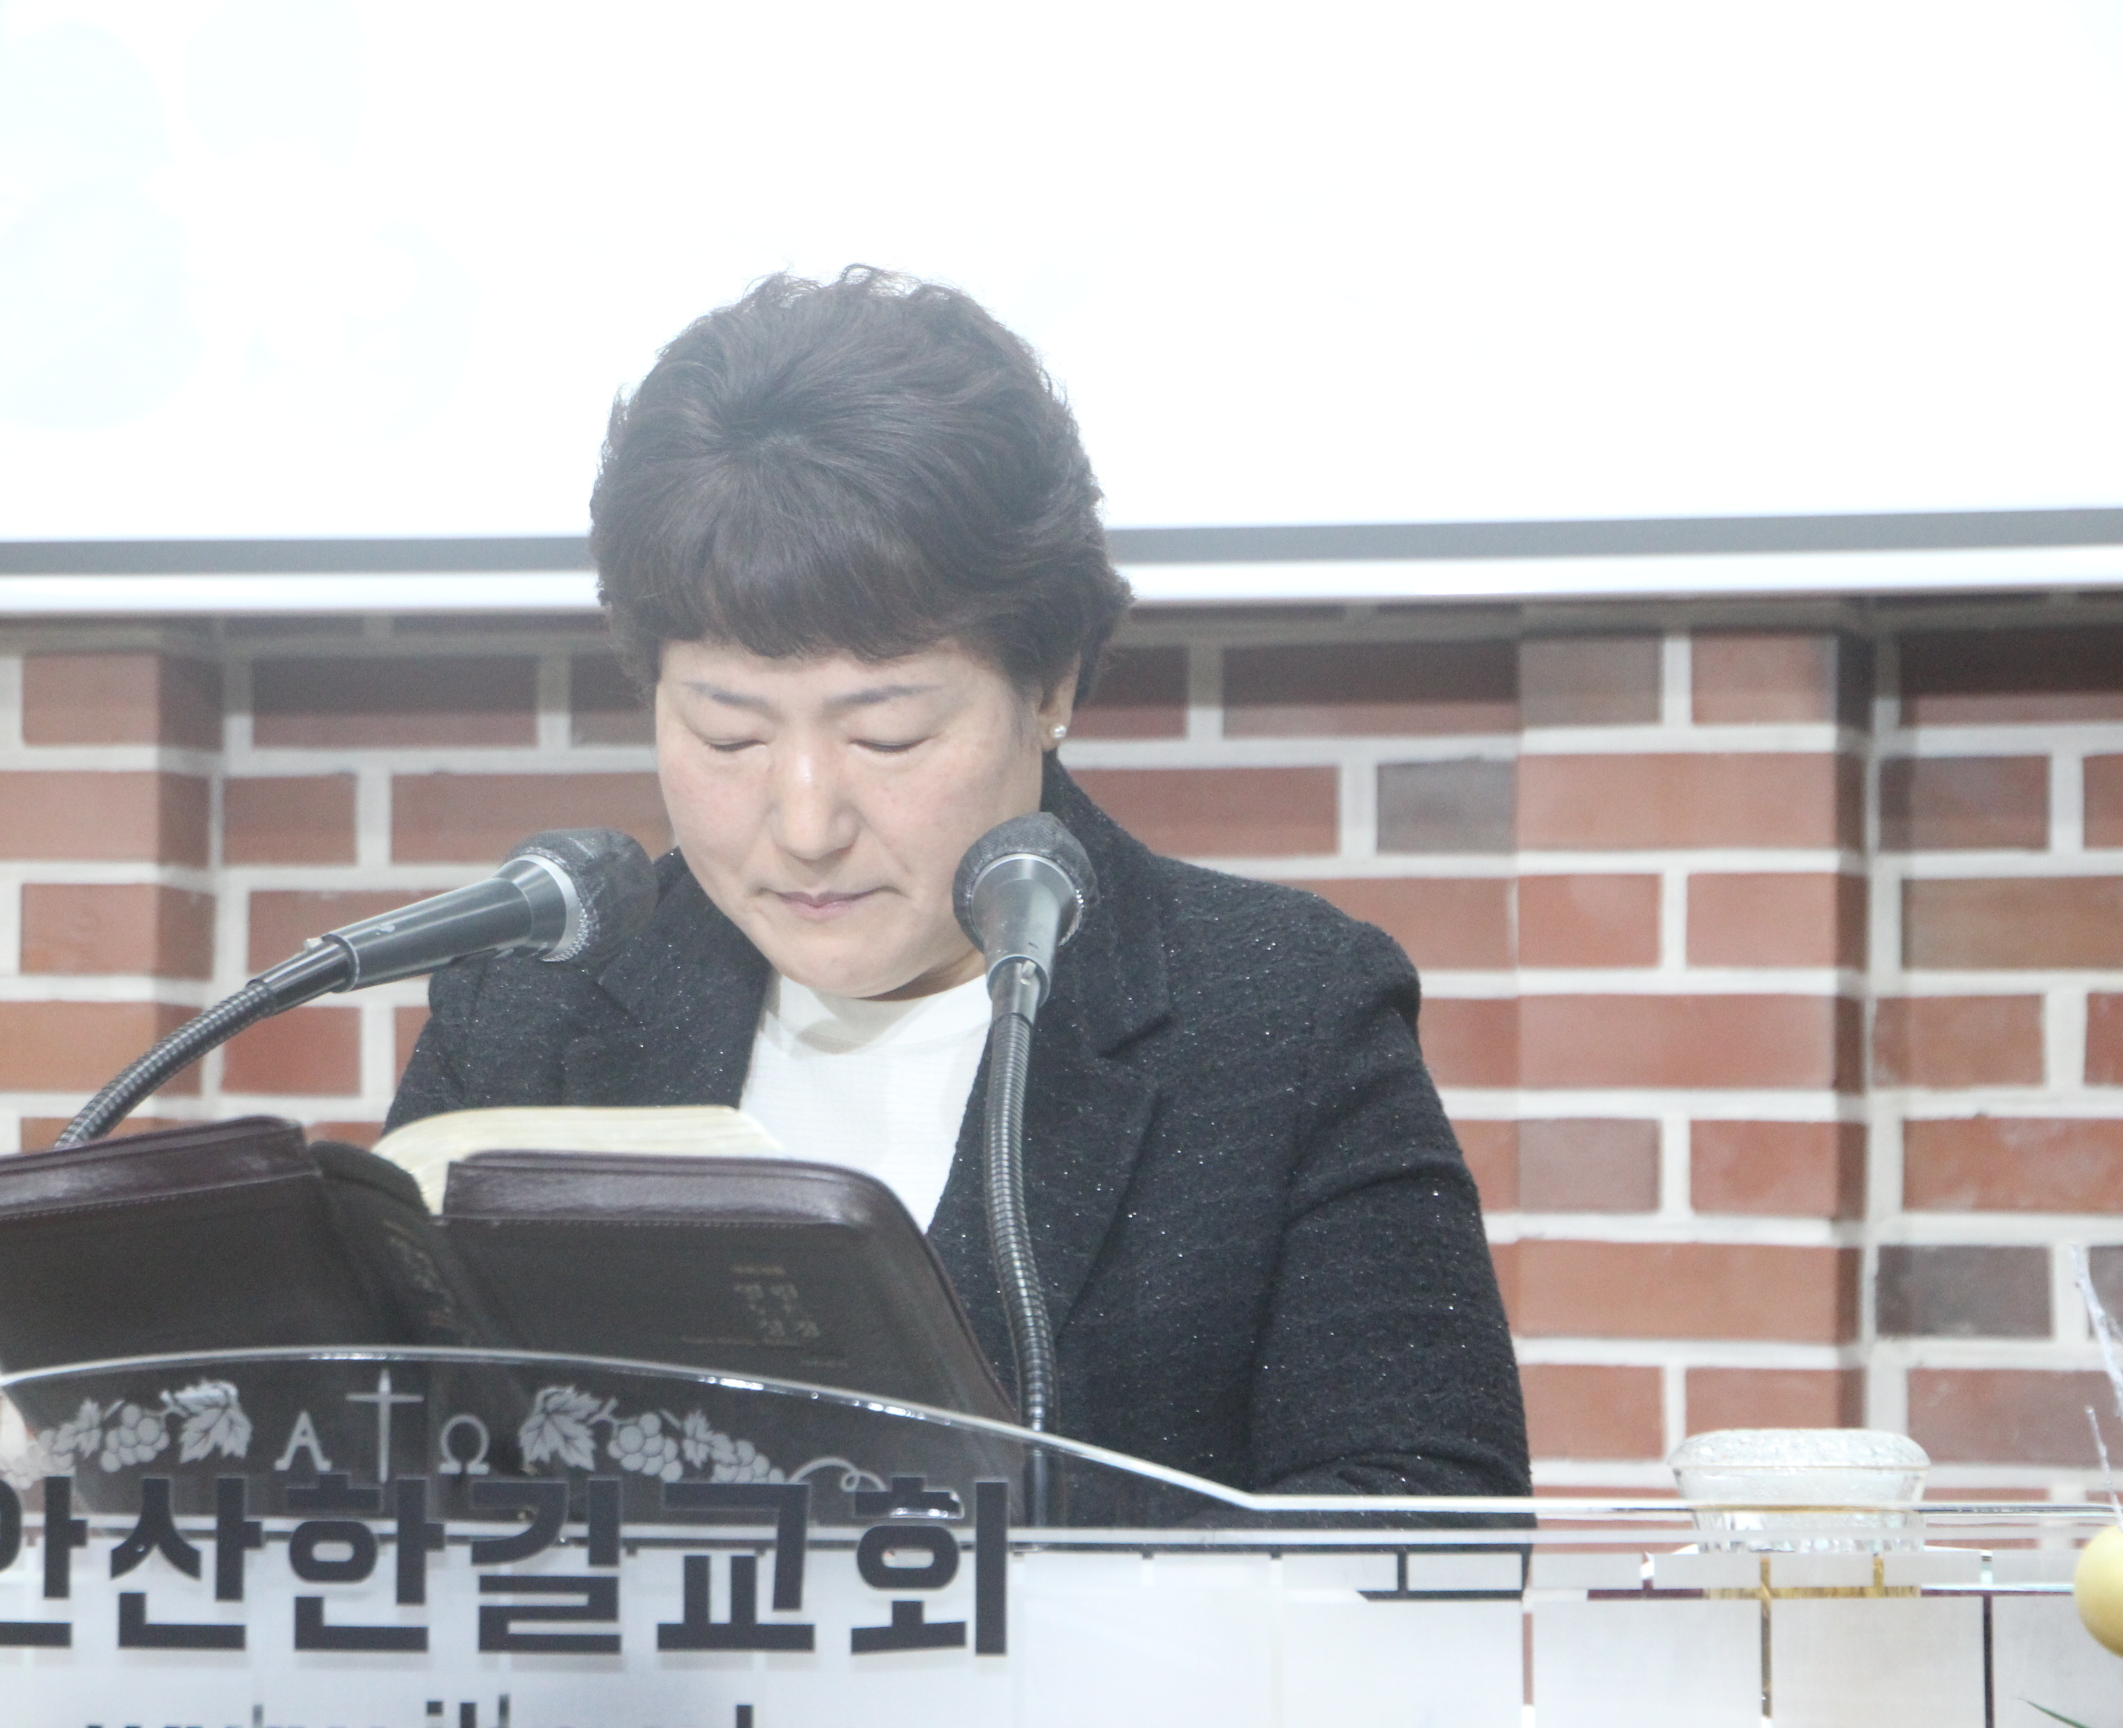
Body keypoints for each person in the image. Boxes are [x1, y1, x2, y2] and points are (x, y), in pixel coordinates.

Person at [388, 268, 1528, 1499]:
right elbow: (360, 1464)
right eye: (728, 735)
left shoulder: (1281, 1017)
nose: (807, 824)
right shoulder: (528, 1012)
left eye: (888, 735)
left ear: (1050, 686)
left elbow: (1428, 1523)